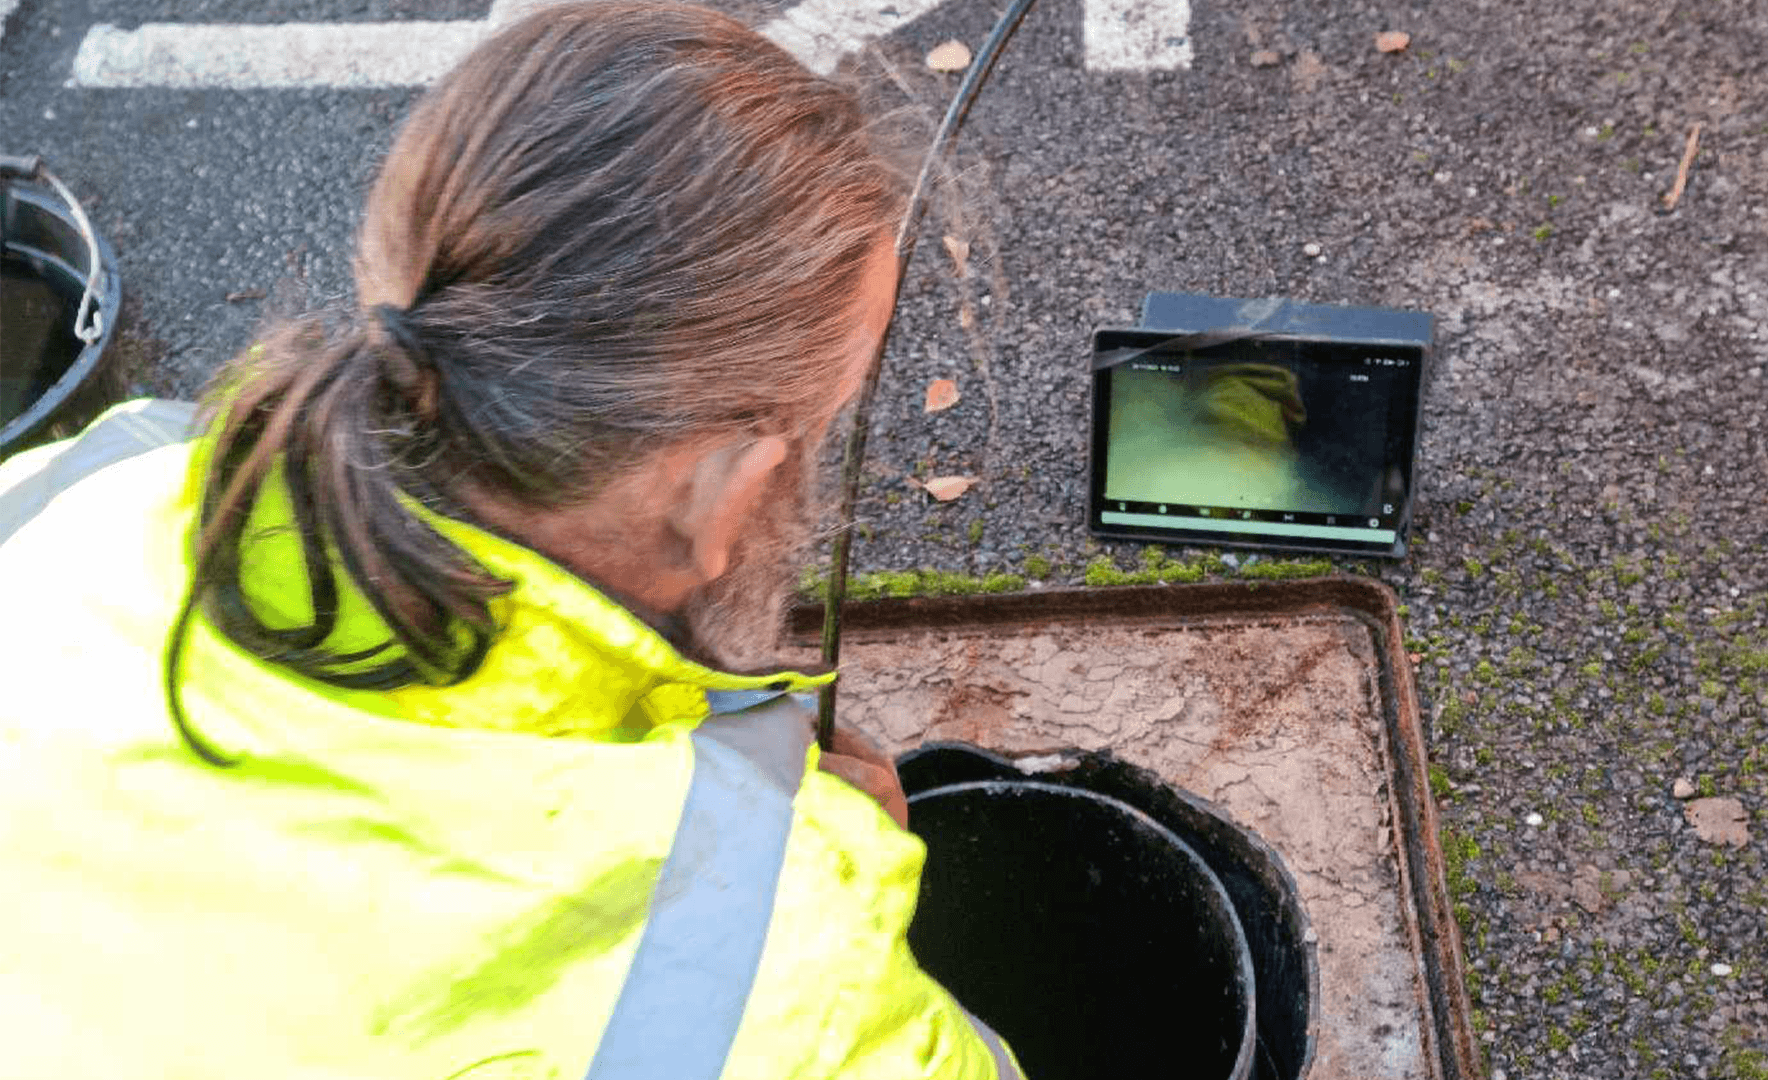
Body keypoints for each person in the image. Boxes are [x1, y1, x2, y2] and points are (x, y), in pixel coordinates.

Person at [0, 4, 1022, 1078]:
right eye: (817, 425)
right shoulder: (784, 984)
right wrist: (824, 895)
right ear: (721, 488)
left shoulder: (80, 480)